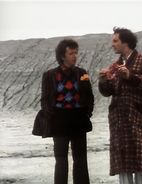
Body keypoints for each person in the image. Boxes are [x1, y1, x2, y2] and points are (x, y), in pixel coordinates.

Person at [98, 27, 142, 184]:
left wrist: (129, 76)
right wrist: (103, 81)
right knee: (123, 162)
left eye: (115, 41)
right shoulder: (114, 66)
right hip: (119, 119)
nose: (112, 44)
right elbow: (108, 92)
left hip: (138, 117)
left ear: (125, 42)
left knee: (141, 160)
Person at [33, 39, 94, 184]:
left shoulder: (82, 73)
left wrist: (87, 113)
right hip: (59, 119)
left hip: (78, 118)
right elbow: (45, 99)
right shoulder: (50, 75)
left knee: (80, 160)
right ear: (62, 56)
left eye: (76, 53)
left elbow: (89, 96)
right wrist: (51, 117)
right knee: (61, 161)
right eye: (71, 53)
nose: (75, 56)